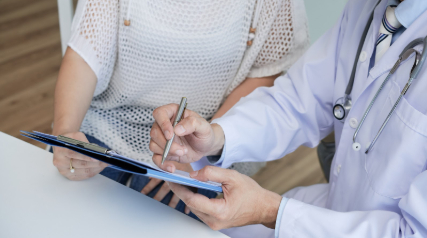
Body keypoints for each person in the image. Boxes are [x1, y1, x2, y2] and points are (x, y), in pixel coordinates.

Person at [150, 0, 427, 236]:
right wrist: (216, 138)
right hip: (330, 208)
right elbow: (296, 100)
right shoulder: (367, 8)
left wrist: (271, 211)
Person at [51, 0, 310, 219]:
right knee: (69, 202)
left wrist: (196, 154)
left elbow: (265, 72)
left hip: (202, 139)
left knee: (163, 211)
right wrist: (66, 132)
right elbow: (85, 54)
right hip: (110, 122)